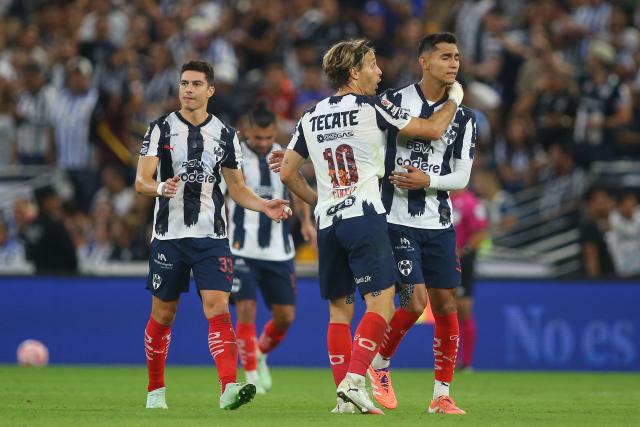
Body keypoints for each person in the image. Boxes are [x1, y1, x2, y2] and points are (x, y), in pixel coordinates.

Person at [279, 39, 462, 415]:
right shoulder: (375, 108)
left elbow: (287, 172)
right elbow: (431, 130)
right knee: (380, 302)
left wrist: (319, 201)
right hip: (364, 217)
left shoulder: (311, 115)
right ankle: (354, 380)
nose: (379, 73)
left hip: (329, 222)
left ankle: (343, 400)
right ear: (353, 72)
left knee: (339, 312)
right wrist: (455, 98)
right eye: (372, 65)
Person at [135, 60, 291, 411]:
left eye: (195, 84)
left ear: (210, 90)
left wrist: (264, 205)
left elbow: (237, 188)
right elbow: (141, 181)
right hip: (169, 236)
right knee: (163, 314)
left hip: (212, 238)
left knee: (218, 308)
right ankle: (155, 390)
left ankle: (228, 388)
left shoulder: (226, 134)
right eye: (184, 83)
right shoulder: (159, 129)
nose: (188, 90)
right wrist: (161, 187)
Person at [367, 33, 476, 415]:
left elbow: (462, 176)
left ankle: (441, 395)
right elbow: (378, 145)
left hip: (439, 222)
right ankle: (379, 364)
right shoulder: (393, 102)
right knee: (414, 301)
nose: (453, 64)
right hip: (395, 218)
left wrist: (428, 181)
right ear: (424, 61)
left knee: (446, 304)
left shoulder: (465, 118)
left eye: (457, 58)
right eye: (445, 56)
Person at [228, 102, 316, 394]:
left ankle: (260, 353)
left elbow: (297, 188)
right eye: (257, 138)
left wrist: (305, 222)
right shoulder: (234, 155)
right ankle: (251, 372)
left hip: (279, 249)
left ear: (275, 132)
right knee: (247, 308)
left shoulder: (285, 154)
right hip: (241, 247)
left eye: (268, 137)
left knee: (285, 316)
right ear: (247, 131)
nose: (264, 144)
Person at [450, 188, 488, 370]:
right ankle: (449, 360)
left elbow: (480, 233)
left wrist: (462, 252)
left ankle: (466, 362)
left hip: (462, 261)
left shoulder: (472, 203)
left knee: (463, 310)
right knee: (446, 310)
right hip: (439, 260)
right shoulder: (439, 197)